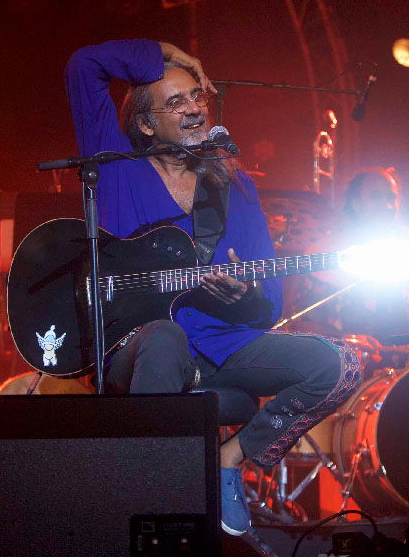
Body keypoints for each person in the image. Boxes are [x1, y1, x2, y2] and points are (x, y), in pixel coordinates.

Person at [65, 39, 362, 536]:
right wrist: (164, 51)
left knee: (339, 365)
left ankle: (229, 461)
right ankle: (146, 509)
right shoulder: (113, 168)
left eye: (198, 97)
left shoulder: (234, 184)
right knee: (163, 336)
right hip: (135, 346)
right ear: (144, 124)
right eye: (176, 101)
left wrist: (243, 298)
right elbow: (83, 65)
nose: (194, 109)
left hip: (221, 346)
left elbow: (267, 304)